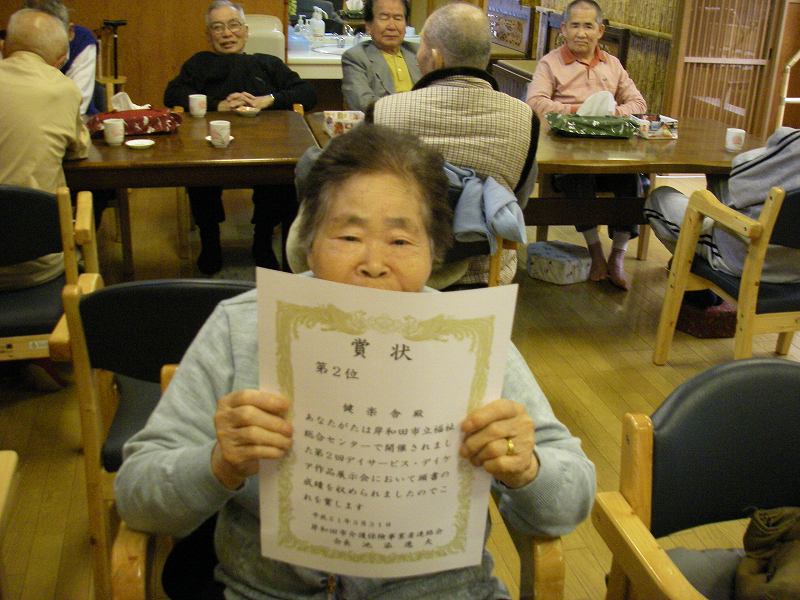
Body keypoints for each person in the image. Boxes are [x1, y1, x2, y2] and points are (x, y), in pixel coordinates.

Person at [115, 125, 596, 599]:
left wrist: (527, 468)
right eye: (348, 237)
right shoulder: (241, 328)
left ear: (434, 251)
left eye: (401, 241)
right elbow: (137, 496)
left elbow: (570, 501)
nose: (373, 263)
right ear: (308, 242)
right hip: (267, 590)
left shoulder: (468, 339)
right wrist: (219, 464)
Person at [290, 2, 537, 289]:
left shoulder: (386, 111)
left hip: (394, 273)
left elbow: (348, 181)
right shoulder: (525, 118)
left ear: (436, 58)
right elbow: (518, 198)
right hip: (485, 270)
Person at [164, 0, 317, 275]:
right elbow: (172, 95)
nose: (227, 33)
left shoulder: (267, 63)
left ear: (246, 31)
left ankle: (262, 239)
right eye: (218, 27)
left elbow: (307, 93)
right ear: (208, 35)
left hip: (264, 145)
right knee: (199, 169)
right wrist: (217, 104)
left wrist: (268, 99)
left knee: (279, 169)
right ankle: (210, 240)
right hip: (211, 145)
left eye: (234, 25)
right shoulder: (199, 64)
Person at [526, 0, 647, 290]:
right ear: (563, 29)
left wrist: (612, 113)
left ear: (600, 31)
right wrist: (578, 112)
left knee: (631, 179)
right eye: (575, 26)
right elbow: (535, 103)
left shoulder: (612, 64)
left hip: (610, 151)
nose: (581, 33)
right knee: (578, 178)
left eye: (588, 26)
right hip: (566, 151)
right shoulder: (550, 63)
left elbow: (639, 103)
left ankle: (618, 256)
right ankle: (595, 252)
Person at [0, 8, 89, 390]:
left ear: (5, 46)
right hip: (34, 266)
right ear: (60, 58)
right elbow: (78, 149)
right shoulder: (60, 88)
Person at [644, 126, 800, 283]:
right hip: (794, 268)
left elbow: (741, 174)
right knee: (719, 179)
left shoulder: (793, 143)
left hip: (744, 257)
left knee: (658, 198)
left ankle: (692, 274)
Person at [340, 0, 422, 112]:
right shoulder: (356, 58)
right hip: (382, 122)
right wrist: (412, 109)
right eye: (384, 18)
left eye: (398, 18)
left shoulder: (418, 52)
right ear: (368, 26)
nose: (392, 26)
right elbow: (363, 104)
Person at [23, 0, 99, 115]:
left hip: (77, 120)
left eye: (50, 36)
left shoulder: (82, 41)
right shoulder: (16, 42)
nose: (42, 46)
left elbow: (76, 106)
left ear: (70, 32)